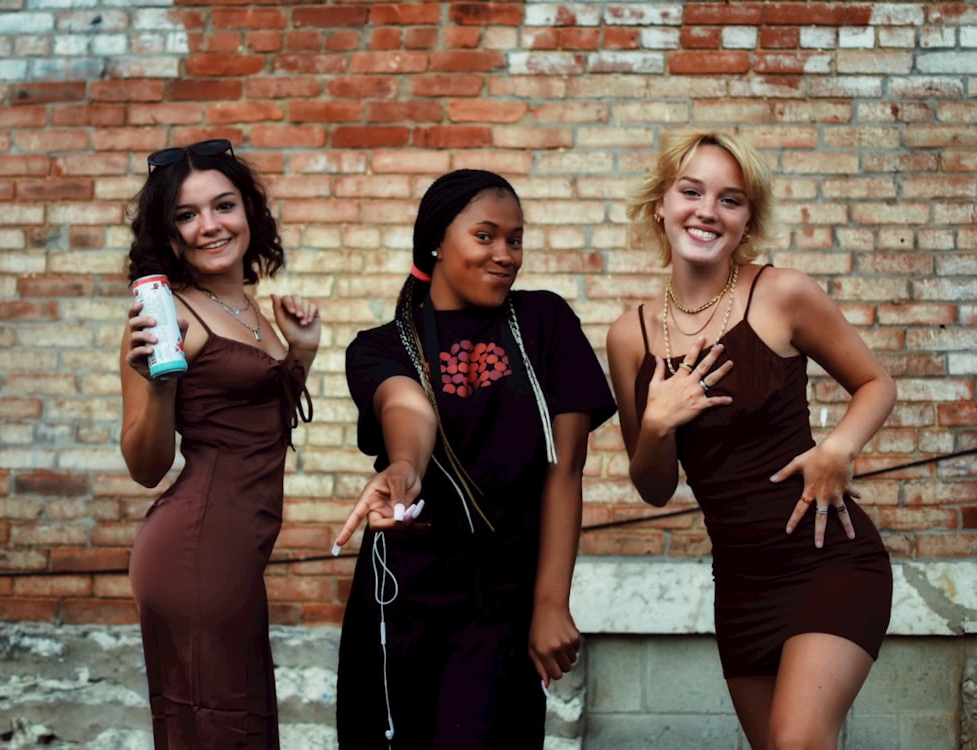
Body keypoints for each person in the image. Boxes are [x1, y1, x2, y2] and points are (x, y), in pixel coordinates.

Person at [606, 130, 895, 750]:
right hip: (741, 585)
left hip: (830, 560)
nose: (708, 210)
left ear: (746, 221)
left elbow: (875, 383)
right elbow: (655, 488)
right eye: (691, 191)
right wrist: (657, 425)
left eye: (730, 200)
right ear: (661, 204)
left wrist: (837, 449)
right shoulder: (628, 336)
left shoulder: (781, 294)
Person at [332, 169, 615, 749]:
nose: (505, 255)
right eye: (485, 236)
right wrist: (405, 468)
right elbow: (406, 407)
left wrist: (549, 602)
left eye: (515, 239)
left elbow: (565, 469)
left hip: (501, 606)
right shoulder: (380, 347)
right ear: (436, 240)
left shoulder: (545, 323)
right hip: (400, 606)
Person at [120, 138, 320, 749]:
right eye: (186, 214)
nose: (210, 225)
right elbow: (146, 466)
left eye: (223, 205)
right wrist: (158, 383)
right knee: (213, 727)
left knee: (242, 724)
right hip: (196, 550)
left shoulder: (245, 307)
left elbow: (262, 425)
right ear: (168, 232)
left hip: (237, 553)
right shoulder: (167, 315)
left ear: (249, 212)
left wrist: (301, 354)